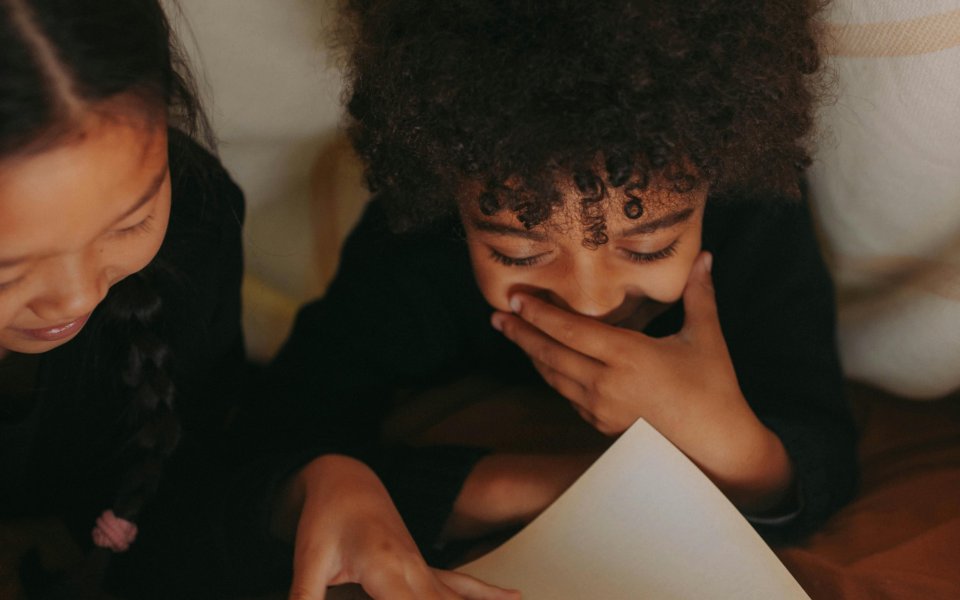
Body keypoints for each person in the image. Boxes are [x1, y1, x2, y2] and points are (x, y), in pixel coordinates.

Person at [270, 0, 859, 559]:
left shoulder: (752, 213)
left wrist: (729, 446)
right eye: (521, 253)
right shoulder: (416, 247)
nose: (592, 300)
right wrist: (548, 485)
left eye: (650, 246)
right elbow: (269, 452)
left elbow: (820, 450)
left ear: (718, 181)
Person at [0, 1, 516, 599]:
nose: (79, 294)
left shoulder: (192, 229)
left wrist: (314, 489)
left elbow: (179, 504)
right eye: (8, 268)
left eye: (130, 222)